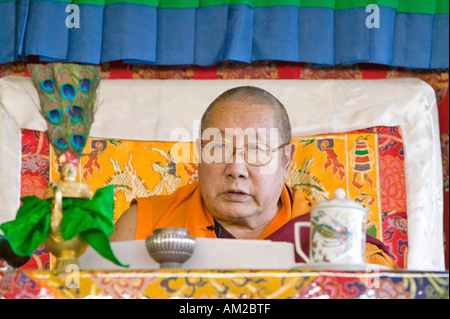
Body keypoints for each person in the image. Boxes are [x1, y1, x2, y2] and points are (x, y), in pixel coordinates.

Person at [110, 86, 398, 269]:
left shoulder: (332, 236)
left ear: (286, 160)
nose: (236, 168)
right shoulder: (143, 225)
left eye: (257, 149)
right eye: (219, 147)